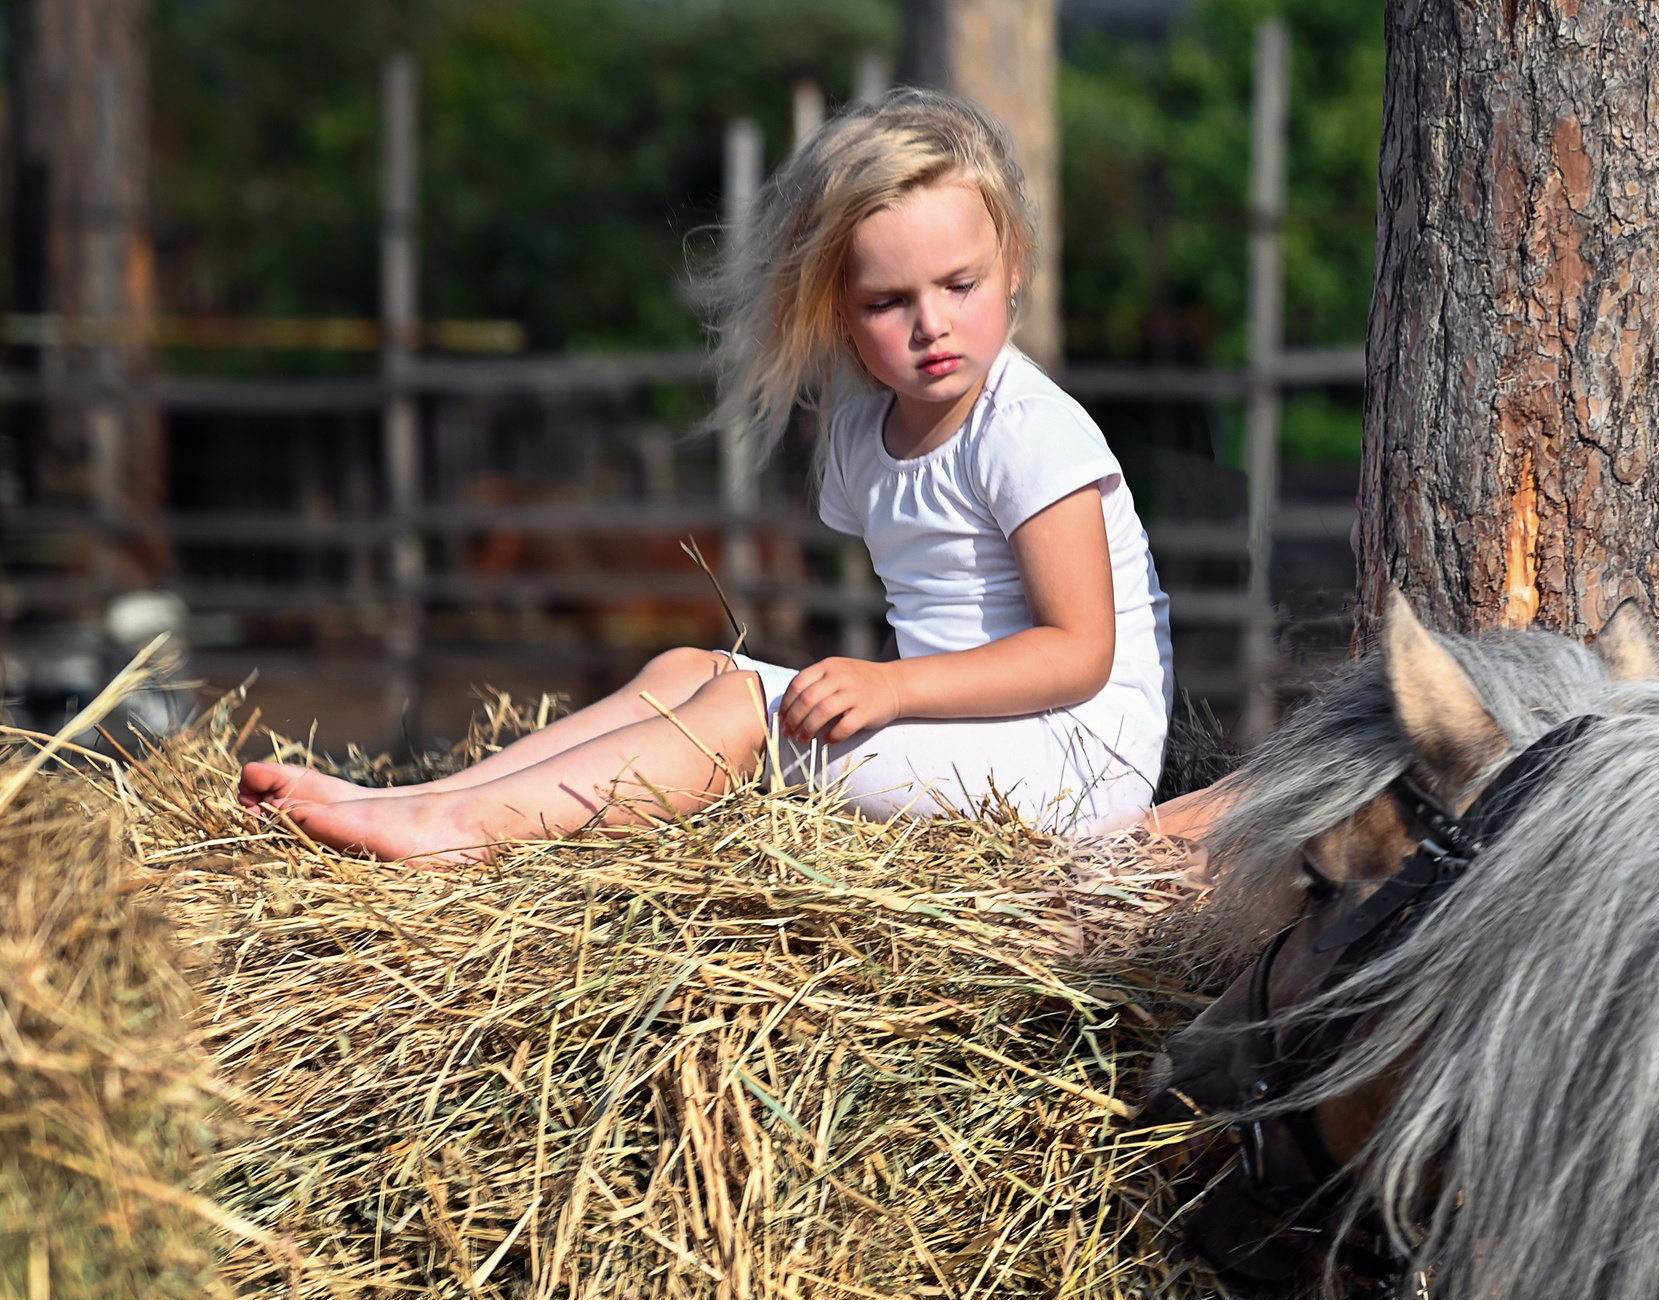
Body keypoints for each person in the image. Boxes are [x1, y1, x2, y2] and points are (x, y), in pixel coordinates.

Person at [239, 90, 1172, 864]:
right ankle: (431, 796)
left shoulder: (1030, 431)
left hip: (1071, 759)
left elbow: (1076, 653)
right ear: (837, 312)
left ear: (1012, 267)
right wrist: (895, 691)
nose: (931, 324)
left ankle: (459, 834)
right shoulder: (864, 433)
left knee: (738, 711)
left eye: (959, 285)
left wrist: (892, 690)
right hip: (975, 733)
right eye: (889, 301)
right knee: (689, 667)